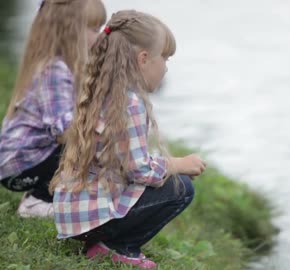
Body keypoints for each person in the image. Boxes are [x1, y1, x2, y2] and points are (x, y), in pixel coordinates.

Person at [50, 10, 207, 269]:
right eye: (165, 59)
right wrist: (177, 164)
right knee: (181, 188)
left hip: (74, 217)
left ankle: (105, 241)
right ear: (144, 59)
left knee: (168, 182)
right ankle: (117, 247)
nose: (166, 67)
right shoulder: (130, 103)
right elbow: (140, 169)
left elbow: (127, 164)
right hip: (92, 220)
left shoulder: (102, 91)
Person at [0, 0, 106, 218]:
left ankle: (45, 194)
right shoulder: (54, 71)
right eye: (94, 29)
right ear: (71, 31)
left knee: (89, 143)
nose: (100, 36)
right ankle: (38, 200)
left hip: (27, 161)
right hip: (19, 167)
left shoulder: (62, 67)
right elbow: (64, 131)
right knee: (86, 145)